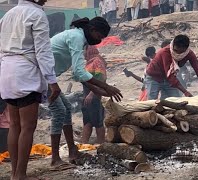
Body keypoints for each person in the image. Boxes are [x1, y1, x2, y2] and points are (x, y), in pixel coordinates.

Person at [49, 17, 122, 170]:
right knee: (59, 112)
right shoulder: (76, 37)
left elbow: (77, 75)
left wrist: (96, 89)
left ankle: (72, 151)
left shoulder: (79, 38)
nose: (99, 41)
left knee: (66, 109)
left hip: (48, 76)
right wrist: (106, 87)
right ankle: (55, 158)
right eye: (99, 37)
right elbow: (79, 71)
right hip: (40, 76)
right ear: (93, 30)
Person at [0, 0, 62, 179]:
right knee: (28, 126)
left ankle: (14, 174)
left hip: (7, 73)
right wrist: (52, 81)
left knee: (14, 125)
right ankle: (20, 174)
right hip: (25, 74)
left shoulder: (9, 14)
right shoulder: (37, 14)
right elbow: (43, 51)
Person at [145, 35, 198, 100]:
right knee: (152, 101)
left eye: (181, 52)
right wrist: (185, 92)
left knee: (175, 100)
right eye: (176, 51)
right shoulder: (165, 52)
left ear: (186, 49)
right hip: (153, 77)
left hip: (167, 79)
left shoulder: (189, 53)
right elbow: (170, 75)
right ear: (173, 45)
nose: (178, 54)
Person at [81, 46, 107, 144]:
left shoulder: (97, 61)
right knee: (87, 122)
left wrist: (92, 93)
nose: (83, 52)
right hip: (86, 97)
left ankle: (101, 144)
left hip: (95, 97)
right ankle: (84, 144)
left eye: (84, 50)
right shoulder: (89, 62)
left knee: (98, 123)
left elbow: (101, 78)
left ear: (89, 50)